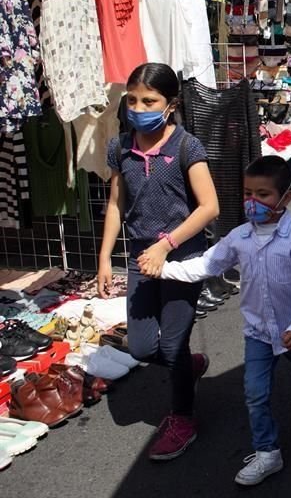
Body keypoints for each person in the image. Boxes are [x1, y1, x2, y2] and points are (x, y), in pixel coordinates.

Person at [160, 156, 291, 486]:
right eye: (248, 194)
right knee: (255, 393)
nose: (253, 202)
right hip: (258, 333)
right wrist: (162, 269)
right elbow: (206, 264)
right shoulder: (239, 237)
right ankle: (267, 452)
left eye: (263, 195)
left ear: (286, 197)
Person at [97, 63, 220, 461]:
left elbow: (209, 207)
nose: (139, 107)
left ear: (171, 105)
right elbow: (116, 204)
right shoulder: (120, 148)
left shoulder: (186, 147)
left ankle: (182, 419)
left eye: (149, 101)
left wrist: (166, 245)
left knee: (172, 343)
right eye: (132, 100)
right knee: (143, 349)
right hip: (139, 259)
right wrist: (104, 258)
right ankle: (187, 361)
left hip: (183, 257)